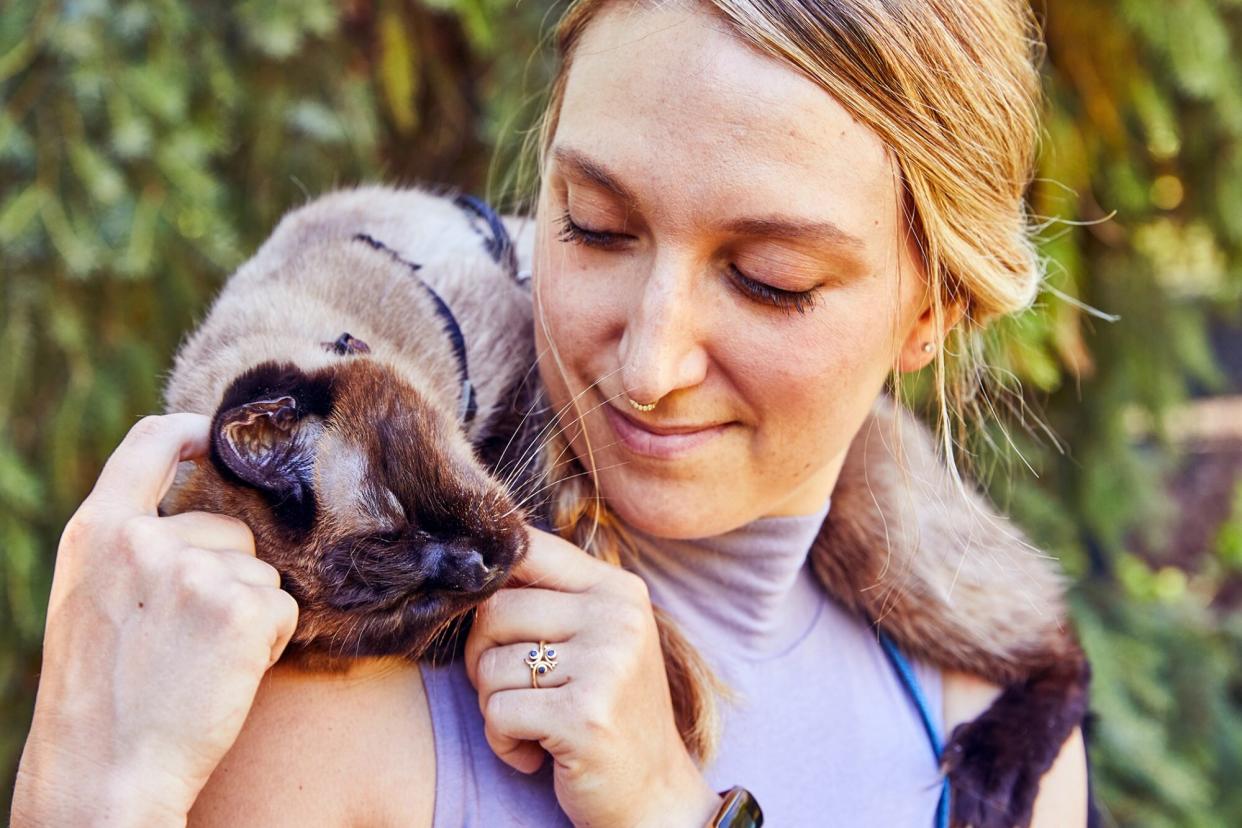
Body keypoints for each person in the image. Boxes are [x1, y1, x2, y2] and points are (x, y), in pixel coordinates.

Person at [12, 0, 1090, 825]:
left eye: (768, 277)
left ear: (935, 312)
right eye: (595, 227)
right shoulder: (334, 708)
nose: (650, 362)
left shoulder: (981, 719)